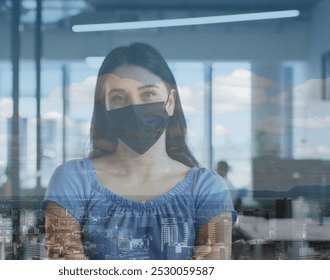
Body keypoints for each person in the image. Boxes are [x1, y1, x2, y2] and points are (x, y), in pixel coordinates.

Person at [43, 42, 236, 260]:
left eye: (148, 94)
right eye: (118, 98)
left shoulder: (207, 187)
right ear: (105, 109)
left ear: (170, 102)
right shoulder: (73, 180)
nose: (134, 108)